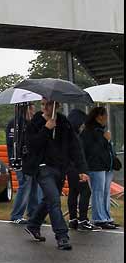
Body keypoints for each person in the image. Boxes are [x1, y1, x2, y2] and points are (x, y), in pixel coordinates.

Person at [22, 98, 88, 251]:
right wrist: (46, 129)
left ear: (57, 106)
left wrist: (82, 170)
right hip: (42, 168)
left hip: (60, 168)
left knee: (49, 200)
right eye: (43, 104)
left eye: (49, 104)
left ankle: (33, 224)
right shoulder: (35, 122)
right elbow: (32, 146)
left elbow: (75, 147)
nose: (45, 107)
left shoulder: (64, 122)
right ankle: (62, 236)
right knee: (54, 201)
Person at [81, 107, 118, 230]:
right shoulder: (89, 131)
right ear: (99, 116)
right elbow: (94, 150)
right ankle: (98, 218)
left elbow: (105, 148)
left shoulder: (101, 130)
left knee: (106, 192)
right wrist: (105, 139)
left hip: (106, 165)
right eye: (105, 115)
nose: (107, 117)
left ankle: (106, 216)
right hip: (95, 166)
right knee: (98, 192)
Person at [6, 103, 43, 224]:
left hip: (32, 161)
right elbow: (11, 144)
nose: (33, 113)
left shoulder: (31, 124)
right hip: (20, 161)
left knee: (34, 187)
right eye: (32, 110)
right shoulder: (15, 124)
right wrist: (13, 160)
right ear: (26, 110)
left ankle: (33, 214)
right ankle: (16, 215)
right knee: (24, 186)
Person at [66, 109, 95, 231]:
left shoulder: (67, 134)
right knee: (85, 191)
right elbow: (79, 155)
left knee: (73, 192)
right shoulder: (75, 136)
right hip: (76, 168)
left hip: (69, 168)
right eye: (82, 123)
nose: (83, 125)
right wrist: (83, 171)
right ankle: (83, 220)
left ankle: (73, 219)